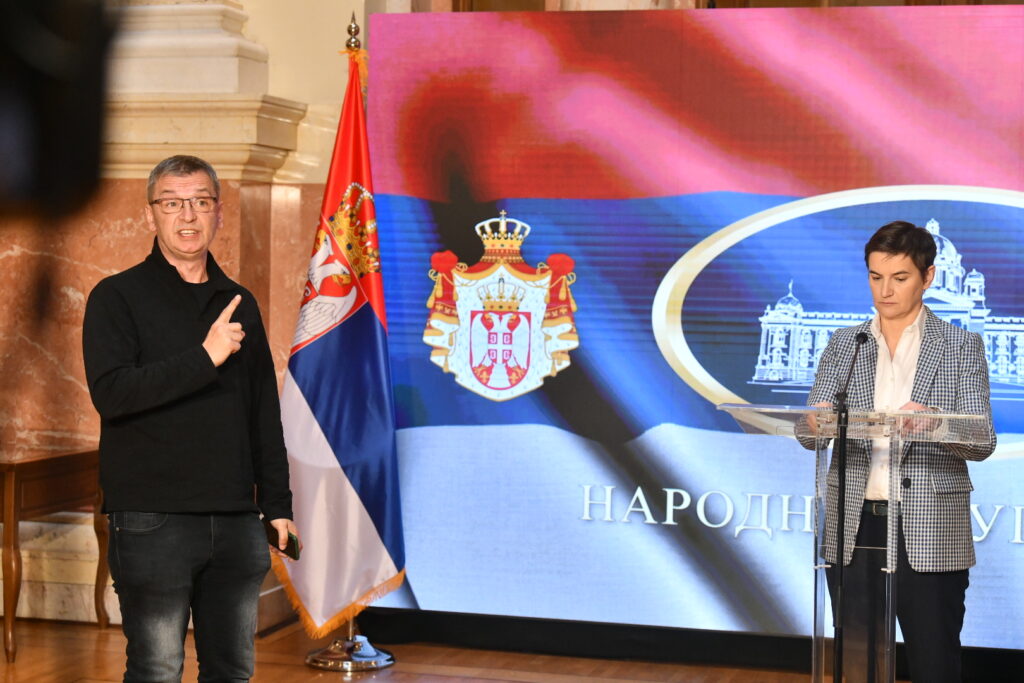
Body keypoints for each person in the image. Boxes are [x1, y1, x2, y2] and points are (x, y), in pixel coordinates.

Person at [83, 155, 300, 682]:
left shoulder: (238, 301)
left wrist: (276, 504)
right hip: (152, 520)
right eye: (173, 203)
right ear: (151, 214)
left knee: (231, 671)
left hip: (233, 520)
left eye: (200, 202)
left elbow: (262, 413)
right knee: (157, 671)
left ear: (218, 214)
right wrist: (205, 357)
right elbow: (113, 394)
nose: (187, 216)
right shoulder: (116, 297)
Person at [804, 221, 996, 682]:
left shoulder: (960, 346)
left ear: (928, 277)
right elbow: (813, 436)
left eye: (899, 278)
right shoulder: (845, 343)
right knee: (856, 661)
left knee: (934, 661)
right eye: (875, 277)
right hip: (854, 524)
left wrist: (933, 421)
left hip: (928, 526)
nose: (885, 291)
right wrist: (813, 422)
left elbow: (982, 439)